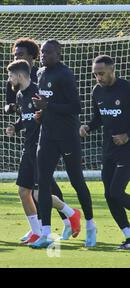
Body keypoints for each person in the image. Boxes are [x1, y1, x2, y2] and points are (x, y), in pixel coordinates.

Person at [5, 60, 81, 245]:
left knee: (40, 194)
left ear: (21, 75)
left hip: (42, 148)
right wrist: (15, 127)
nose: (9, 80)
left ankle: (71, 214)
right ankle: (36, 231)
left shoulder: (39, 93)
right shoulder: (21, 96)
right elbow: (26, 119)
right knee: (24, 192)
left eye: (11, 76)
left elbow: (53, 113)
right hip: (27, 149)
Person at [30, 40, 96, 248]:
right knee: (44, 182)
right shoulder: (40, 73)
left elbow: (75, 106)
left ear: (58, 53)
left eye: (47, 52)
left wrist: (48, 105)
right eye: (41, 52)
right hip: (47, 134)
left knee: (77, 181)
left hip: (67, 136)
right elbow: (47, 104)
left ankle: (91, 226)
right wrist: (40, 112)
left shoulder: (65, 74)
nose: (43, 55)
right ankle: (45, 233)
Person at [80, 55, 130, 250]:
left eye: (101, 73)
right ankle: (128, 235)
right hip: (109, 150)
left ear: (112, 70)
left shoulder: (126, 88)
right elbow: (98, 118)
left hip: (127, 149)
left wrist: (127, 135)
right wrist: (87, 127)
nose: (98, 78)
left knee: (116, 191)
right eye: (95, 74)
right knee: (109, 194)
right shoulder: (97, 91)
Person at [4, 38, 40, 114]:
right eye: (15, 55)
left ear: (31, 56)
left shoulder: (41, 75)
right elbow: (7, 105)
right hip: (25, 120)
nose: (16, 57)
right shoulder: (12, 78)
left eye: (20, 54)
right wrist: (12, 107)